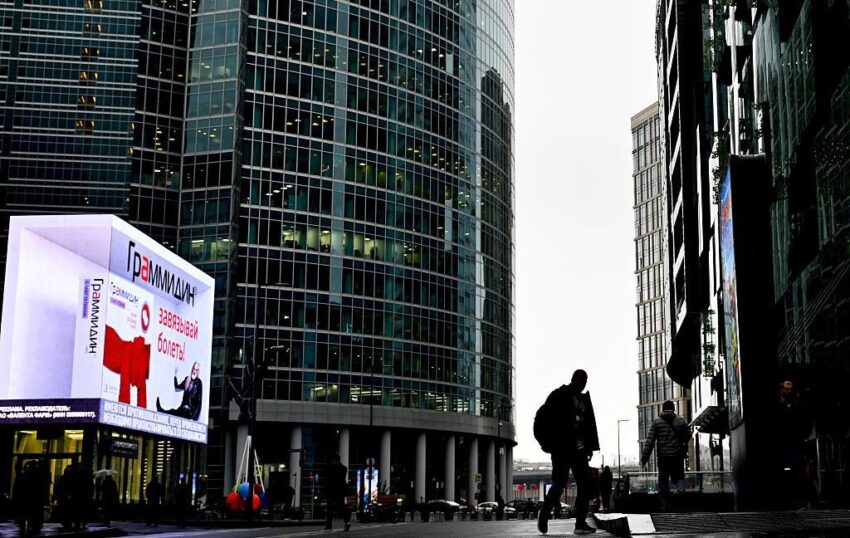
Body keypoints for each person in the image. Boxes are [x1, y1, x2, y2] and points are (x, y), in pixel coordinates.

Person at [537, 369, 600, 535]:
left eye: (585, 381)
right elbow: (550, 420)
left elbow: (587, 426)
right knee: (559, 484)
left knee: (583, 485)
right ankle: (545, 513)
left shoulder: (582, 399)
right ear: (574, 379)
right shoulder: (560, 395)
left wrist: (588, 447)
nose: (584, 383)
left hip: (578, 450)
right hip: (562, 449)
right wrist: (550, 443)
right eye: (582, 380)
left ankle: (580, 523)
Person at [640, 400, 691, 511]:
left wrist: (645, 458)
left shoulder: (657, 422)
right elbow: (688, 435)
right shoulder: (681, 421)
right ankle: (681, 502)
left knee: (663, 480)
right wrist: (680, 441)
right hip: (677, 456)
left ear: (663, 409)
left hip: (663, 457)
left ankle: (665, 505)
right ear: (673, 409)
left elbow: (650, 442)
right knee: (679, 478)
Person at [776, 380, 813, 509]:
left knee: (797, 473)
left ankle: (798, 501)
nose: (788, 391)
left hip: (796, 444)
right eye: (786, 389)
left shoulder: (800, 406)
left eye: (790, 389)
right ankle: (786, 501)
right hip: (782, 445)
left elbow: (807, 422)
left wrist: (804, 436)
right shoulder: (778, 407)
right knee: (784, 473)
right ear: (781, 390)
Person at [12, 460, 45, 536]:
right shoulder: (37, 477)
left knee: (25, 518)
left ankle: (25, 530)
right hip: (30, 501)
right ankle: (29, 529)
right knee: (29, 518)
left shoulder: (25, 476)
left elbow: (17, 488)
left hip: (27, 501)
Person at [323, 453, 351, 532]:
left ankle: (328, 526)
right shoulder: (344, 468)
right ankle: (347, 521)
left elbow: (327, 480)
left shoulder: (329, 468)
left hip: (332, 490)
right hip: (341, 490)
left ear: (333, 460)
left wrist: (326, 490)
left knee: (330, 508)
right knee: (342, 507)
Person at [53, 465, 74, 530]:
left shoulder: (64, 477)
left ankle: (65, 523)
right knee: (66, 511)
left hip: (63, 497)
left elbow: (59, 487)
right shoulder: (69, 478)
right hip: (64, 497)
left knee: (64, 511)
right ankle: (66, 523)